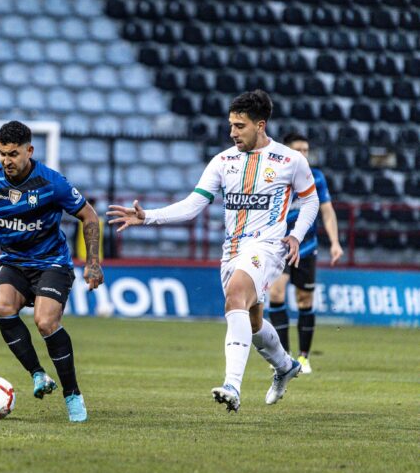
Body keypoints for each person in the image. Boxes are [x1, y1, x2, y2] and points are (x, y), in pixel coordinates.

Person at [108, 90, 319, 413]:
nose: (232, 132)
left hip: (267, 247)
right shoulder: (223, 161)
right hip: (232, 250)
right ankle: (285, 366)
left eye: (239, 126)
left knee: (235, 295)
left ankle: (232, 384)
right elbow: (194, 205)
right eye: (231, 125)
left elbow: (310, 201)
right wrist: (148, 216)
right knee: (252, 322)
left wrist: (295, 236)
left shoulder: (290, 161)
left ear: (260, 125)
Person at [0, 121, 104, 422]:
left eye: (13, 154)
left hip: (52, 262)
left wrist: (92, 261)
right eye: (1, 153)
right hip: (13, 260)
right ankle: (38, 375)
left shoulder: (52, 183)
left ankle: (73, 395)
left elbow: (88, 215)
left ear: (29, 150)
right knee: (1, 306)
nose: (6, 161)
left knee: (46, 322)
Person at [267, 133, 343, 374]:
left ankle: (304, 357)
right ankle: (283, 358)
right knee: (276, 294)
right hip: (279, 247)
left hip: (307, 248)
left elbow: (328, 212)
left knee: (304, 300)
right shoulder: (276, 176)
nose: (303, 154)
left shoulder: (316, 178)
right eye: (298, 149)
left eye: (306, 150)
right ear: (287, 152)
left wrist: (335, 242)